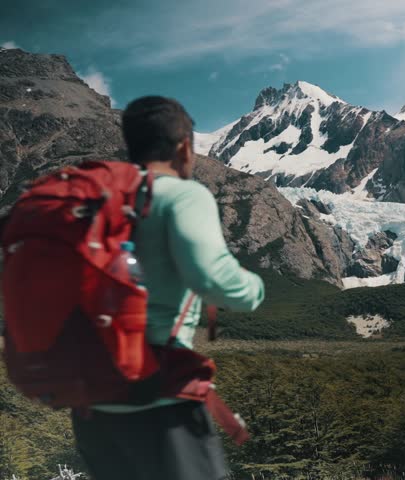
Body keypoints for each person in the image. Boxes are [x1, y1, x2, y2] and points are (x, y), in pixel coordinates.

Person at [71, 96, 265, 480]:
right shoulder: (181, 193)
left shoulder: (98, 201)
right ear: (184, 148)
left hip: (93, 406)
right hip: (160, 398)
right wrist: (255, 287)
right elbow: (213, 280)